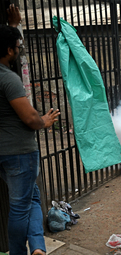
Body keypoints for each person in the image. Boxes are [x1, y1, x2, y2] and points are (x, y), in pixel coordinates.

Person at [0, 7, 60, 255]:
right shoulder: (8, 78)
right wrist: (44, 121)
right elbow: (29, 117)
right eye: (16, 46)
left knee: (32, 199)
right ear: (8, 50)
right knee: (19, 208)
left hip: (4, 153)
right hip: (19, 153)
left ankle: (38, 247)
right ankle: (18, 252)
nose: (18, 49)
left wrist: (14, 26)